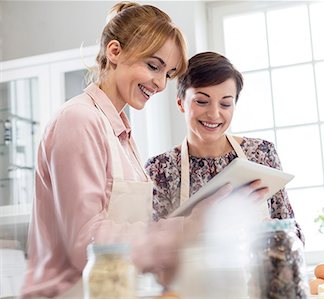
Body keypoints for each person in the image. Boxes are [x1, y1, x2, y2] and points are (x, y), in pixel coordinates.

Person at [21, 4, 266, 298]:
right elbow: (86, 246)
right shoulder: (79, 120)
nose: (160, 83)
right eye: (153, 66)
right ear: (114, 52)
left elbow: (131, 240)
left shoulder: (122, 134)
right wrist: (189, 226)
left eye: (168, 73)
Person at [145, 51, 304, 242]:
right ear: (181, 103)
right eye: (202, 101)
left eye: (226, 104)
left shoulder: (262, 154)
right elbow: (152, 248)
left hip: (256, 271)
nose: (214, 114)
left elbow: (293, 235)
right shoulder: (159, 168)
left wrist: (272, 233)